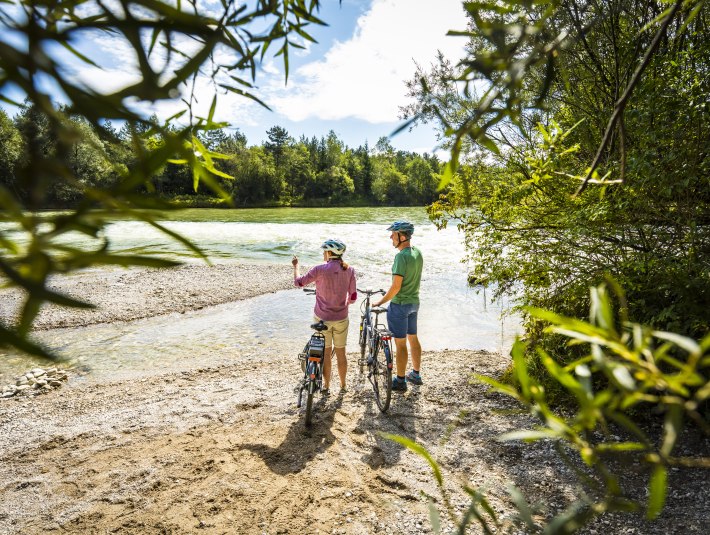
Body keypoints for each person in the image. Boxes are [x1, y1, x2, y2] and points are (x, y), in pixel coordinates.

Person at [292, 239, 357, 393]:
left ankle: (327, 386)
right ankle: (343, 386)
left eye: (324, 251)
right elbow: (353, 297)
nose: (323, 254)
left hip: (322, 318)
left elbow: (298, 282)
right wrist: (343, 302)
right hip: (341, 318)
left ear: (329, 253)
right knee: (341, 352)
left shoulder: (319, 269)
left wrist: (296, 266)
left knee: (326, 353)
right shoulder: (350, 270)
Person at [373, 221, 423, 392]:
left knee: (400, 344)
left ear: (402, 236)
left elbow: (396, 287)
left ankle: (400, 381)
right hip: (414, 303)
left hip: (400, 305)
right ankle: (416, 374)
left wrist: (380, 302)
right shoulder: (417, 253)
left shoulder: (400, 257)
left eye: (393, 234)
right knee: (413, 338)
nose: (391, 237)